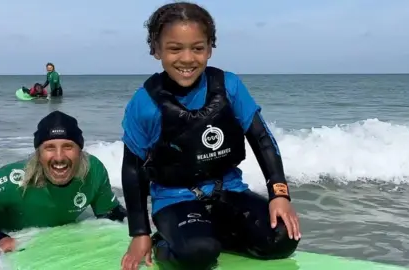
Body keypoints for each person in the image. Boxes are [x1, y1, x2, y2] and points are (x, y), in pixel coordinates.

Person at [120, 2, 301, 270]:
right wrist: (140, 233)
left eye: (197, 48)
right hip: (175, 199)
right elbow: (132, 168)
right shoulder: (145, 102)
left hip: (228, 191)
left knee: (283, 238)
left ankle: (208, 234)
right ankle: (167, 241)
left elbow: (262, 139)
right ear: (156, 50)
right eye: (174, 48)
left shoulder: (229, 86)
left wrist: (280, 195)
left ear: (210, 48)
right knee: (199, 254)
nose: (187, 59)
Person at [0, 111, 127, 253]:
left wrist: (141, 223)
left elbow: (110, 214)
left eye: (68, 146)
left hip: (54, 242)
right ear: (38, 153)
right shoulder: (11, 180)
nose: (59, 157)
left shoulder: (94, 171)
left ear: (80, 151)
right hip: (12, 237)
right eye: (50, 148)